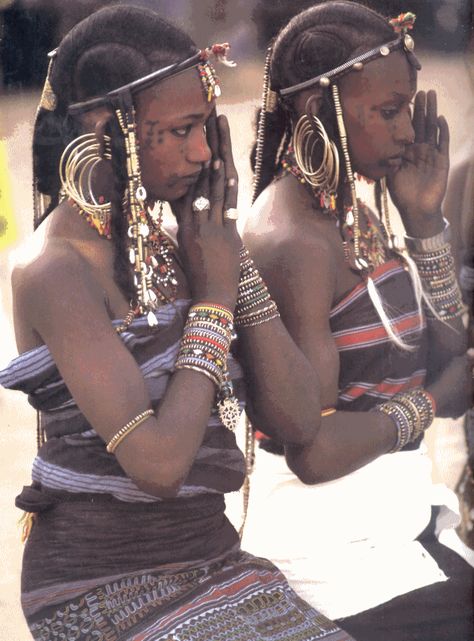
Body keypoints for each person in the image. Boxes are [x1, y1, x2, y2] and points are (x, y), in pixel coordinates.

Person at [0, 6, 356, 640]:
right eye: (183, 129)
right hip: (101, 585)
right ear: (105, 127)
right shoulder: (52, 271)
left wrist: (229, 254)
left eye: (206, 128)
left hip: (211, 561)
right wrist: (214, 302)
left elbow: (301, 419)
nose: (201, 150)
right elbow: (158, 466)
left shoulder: (184, 249)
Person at [243, 2, 474, 640]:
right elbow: (312, 452)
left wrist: (425, 222)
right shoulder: (294, 241)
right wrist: (426, 405)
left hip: (389, 521)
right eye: (388, 112)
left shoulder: (347, 208)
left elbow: (451, 349)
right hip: (330, 551)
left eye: (407, 110)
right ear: (322, 112)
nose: (407, 133)